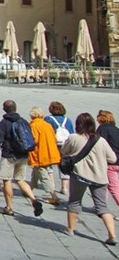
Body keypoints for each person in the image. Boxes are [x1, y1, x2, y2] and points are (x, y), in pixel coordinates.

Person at [61, 112, 117, 245]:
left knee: (74, 201)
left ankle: (70, 229)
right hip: (100, 177)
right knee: (102, 206)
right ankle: (112, 235)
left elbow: (64, 151)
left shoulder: (74, 137)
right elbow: (113, 158)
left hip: (80, 175)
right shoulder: (101, 140)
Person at [0, 100, 44, 217]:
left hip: (9, 155)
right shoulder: (23, 121)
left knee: (7, 179)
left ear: (4, 109)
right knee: (20, 180)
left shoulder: (4, 122)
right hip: (23, 154)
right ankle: (33, 199)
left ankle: (9, 207)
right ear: (16, 108)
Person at [28, 106, 62, 205]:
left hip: (40, 153)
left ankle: (54, 196)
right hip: (49, 152)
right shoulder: (47, 125)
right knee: (36, 172)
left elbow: (34, 140)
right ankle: (29, 189)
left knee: (43, 175)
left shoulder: (34, 125)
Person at [44, 101, 74, 196]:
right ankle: (64, 187)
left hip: (53, 143)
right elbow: (71, 132)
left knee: (49, 163)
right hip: (65, 144)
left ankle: (52, 185)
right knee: (64, 164)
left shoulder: (48, 119)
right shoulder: (67, 120)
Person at [95, 110, 119, 205]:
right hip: (117, 161)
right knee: (104, 185)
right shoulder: (116, 129)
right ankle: (101, 205)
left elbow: (98, 145)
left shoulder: (102, 129)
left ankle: (102, 205)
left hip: (110, 162)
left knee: (113, 187)